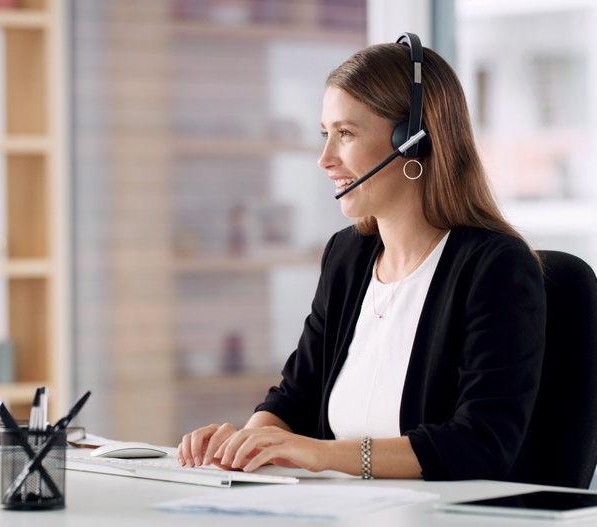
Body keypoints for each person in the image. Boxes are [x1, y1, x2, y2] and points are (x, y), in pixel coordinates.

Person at [177, 40, 547, 480]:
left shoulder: (494, 267)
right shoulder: (347, 256)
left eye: (346, 134)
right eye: (324, 134)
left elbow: (480, 444)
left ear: (411, 142)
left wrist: (322, 454)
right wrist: (243, 447)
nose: (325, 159)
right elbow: (296, 398)